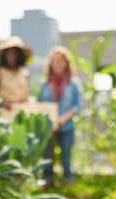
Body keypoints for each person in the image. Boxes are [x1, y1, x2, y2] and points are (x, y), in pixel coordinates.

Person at [38, 46, 81, 187]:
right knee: (47, 156)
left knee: (65, 156)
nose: (58, 64)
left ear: (66, 63)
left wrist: (62, 119)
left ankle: (68, 182)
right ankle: (47, 182)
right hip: (48, 126)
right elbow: (41, 105)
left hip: (66, 126)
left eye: (61, 61)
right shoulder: (45, 84)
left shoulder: (73, 84)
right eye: (55, 61)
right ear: (51, 63)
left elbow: (75, 106)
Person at [0, 36, 32, 112]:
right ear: (4, 55)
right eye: (8, 52)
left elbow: (26, 97)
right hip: (4, 114)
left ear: (19, 55)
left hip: (21, 113)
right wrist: (2, 102)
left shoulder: (25, 73)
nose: (11, 55)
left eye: (14, 52)